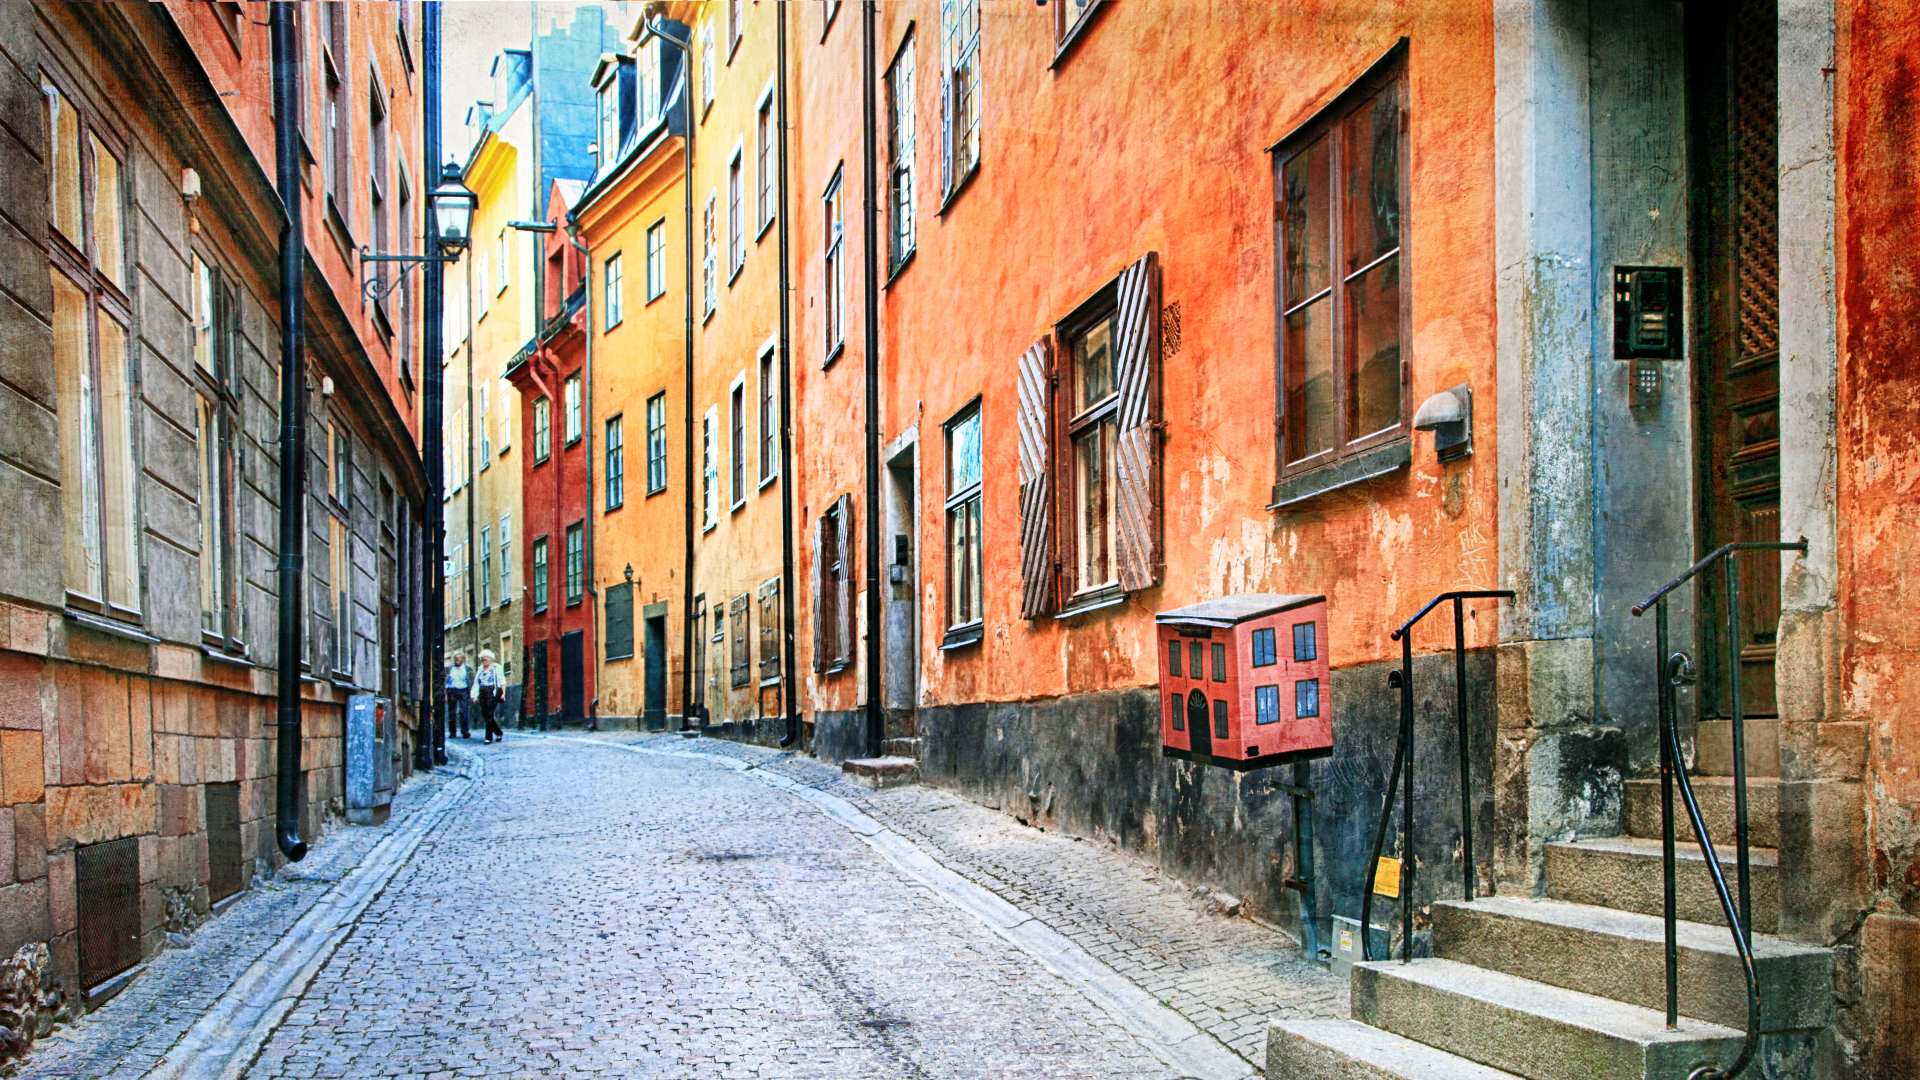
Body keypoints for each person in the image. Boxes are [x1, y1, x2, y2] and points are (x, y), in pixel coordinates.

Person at [475, 649, 505, 744]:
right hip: (482, 693)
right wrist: (475, 695)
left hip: (493, 692)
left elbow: (502, 681)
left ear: (491, 658)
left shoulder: (496, 667)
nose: (485, 660)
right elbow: (476, 683)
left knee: (489, 715)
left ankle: (488, 738)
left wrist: (503, 693)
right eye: (483, 659)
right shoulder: (480, 669)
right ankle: (498, 732)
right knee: (485, 715)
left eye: (487, 658)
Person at [445, 649, 473, 739]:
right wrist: (445, 694)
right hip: (452, 690)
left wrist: (471, 693)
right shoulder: (449, 669)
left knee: (463, 712)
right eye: (455, 659)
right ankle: (452, 732)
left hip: (463, 690)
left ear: (463, 660)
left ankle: (465, 731)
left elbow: (471, 681)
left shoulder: (468, 669)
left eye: (459, 659)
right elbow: (445, 681)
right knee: (452, 712)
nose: (457, 660)